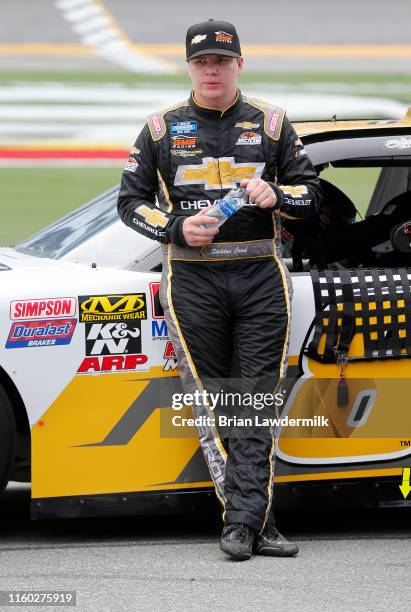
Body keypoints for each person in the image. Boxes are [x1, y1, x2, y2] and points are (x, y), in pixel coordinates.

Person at [118, 19, 322, 561]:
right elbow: (128, 203)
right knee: (217, 405)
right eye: (202, 61)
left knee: (253, 402)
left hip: (260, 277)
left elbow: (312, 197)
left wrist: (276, 194)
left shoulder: (273, 124)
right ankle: (258, 521)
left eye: (221, 61)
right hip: (192, 277)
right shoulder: (160, 129)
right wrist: (173, 229)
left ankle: (241, 525)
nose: (212, 70)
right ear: (189, 67)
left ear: (239, 65)